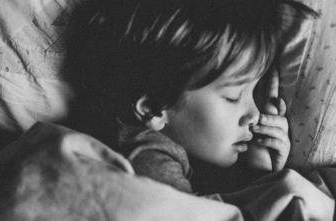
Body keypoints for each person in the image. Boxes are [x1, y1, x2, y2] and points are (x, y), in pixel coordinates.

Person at [67, 0, 316, 195]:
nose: (254, 114)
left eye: (253, 91)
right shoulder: (148, 156)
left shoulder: (176, 148)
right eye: (233, 97)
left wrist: (253, 170)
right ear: (154, 109)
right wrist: (259, 180)